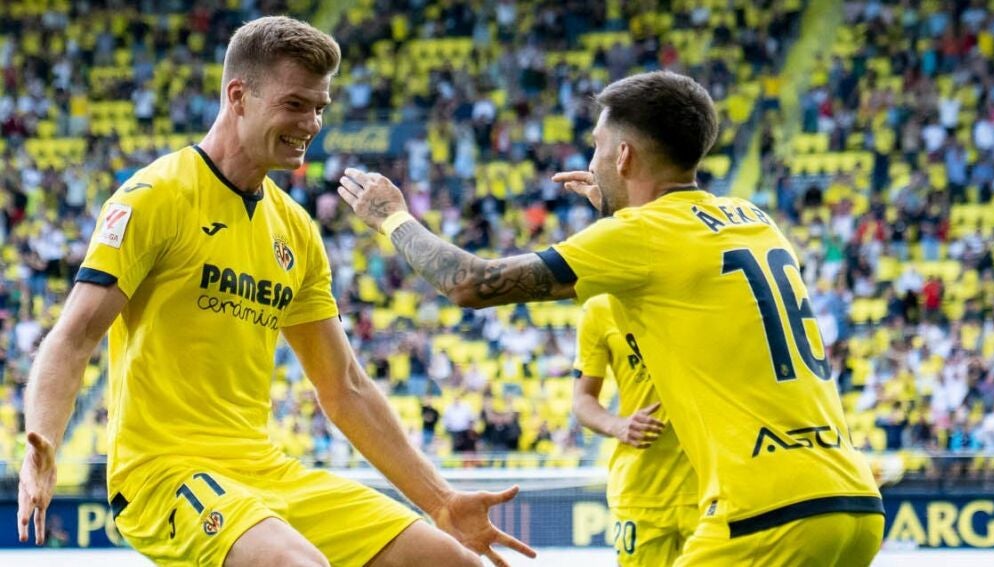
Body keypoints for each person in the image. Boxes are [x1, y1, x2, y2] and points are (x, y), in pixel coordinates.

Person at [17, 16, 534, 567]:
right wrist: (42, 441)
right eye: (294, 104)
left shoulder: (295, 229)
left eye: (320, 108)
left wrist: (443, 501)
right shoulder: (155, 197)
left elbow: (345, 388)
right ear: (238, 96)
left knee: (448, 560)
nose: (311, 123)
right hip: (162, 473)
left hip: (262, 473)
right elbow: (73, 338)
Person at [339, 70, 885, 565]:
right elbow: (672, 263)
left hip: (764, 513)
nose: (593, 160)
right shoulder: (752, 217)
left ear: (623, 156)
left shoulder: (641, 236)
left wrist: (393, 220)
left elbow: (470, 284)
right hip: (852, 503)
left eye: (598, 147)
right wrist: (618, 206)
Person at [572, 294, 697, 565]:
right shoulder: (598, 308)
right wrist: (618, 425)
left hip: (708, 488)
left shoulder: (698, 294)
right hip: (641, 491)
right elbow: (582, 400)